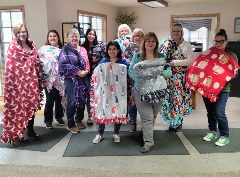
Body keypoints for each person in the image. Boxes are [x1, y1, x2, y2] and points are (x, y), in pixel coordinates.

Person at [186, 29, 239, 146]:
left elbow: (234, 73)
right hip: (207, 88)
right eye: (216, 41)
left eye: (221, 41)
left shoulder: (231, 56)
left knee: (219, 112)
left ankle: (225, 135)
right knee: (210, 112)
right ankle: (213, 131)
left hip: (223, 90)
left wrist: (230, 74)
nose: (218, 44)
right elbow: (201, 66)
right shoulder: (209, 53)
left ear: (226, 41)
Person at [1, 23, 44, 145]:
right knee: (19, 108)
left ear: (27, 32)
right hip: (18, 85)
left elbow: (36, 59)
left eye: (23, 31)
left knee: (31, 106)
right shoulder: (13, 47)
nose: (21, 34)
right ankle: (17, 135)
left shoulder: (31, 44)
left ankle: (30, 130)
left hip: (32, 82)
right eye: (19, 32)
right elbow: (13, 67)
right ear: (15, 34)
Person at [129, 32, 172, 153]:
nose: (150, 43)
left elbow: (168, 73)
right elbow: (131, 72)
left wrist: (158, 72)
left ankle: (147, 132)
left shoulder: (161, 56)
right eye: (148, 41)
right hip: (141, 90)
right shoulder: (137, 56)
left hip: (158, 91)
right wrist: (147, 75)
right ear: (144, 43)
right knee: (146, 116)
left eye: (153, 41)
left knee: (153, 114)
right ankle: (148, 142)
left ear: (156, 43)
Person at [91, 41, 129, 144]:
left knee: (118, 109)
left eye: (114, 49)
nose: (112, 51)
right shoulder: (103, 61)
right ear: (107, 50)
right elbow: (97, 74)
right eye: (110, 49)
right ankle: (100, 133)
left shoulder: (123, 62)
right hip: (105, 91)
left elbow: (127, 76)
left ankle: (116, 133)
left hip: (119, 91)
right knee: (103, 109)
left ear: (118, 50)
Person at [159, 23, 194, 132]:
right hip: (167, 77)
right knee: (169, 99)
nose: (175, 33)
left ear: (181, 33)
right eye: (174, 31)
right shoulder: (166, 43)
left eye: (178, 31)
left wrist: (175, 63)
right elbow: (159, 56)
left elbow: (190, 60)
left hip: (179, 78)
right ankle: (170, 122)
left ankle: (178, 122)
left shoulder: (186, 45)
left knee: (178, 99)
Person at [59, 28, 90, 133]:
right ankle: (71, 124)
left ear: (79, 37)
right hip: (71, 79)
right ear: (68, 38)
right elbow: (63, 64)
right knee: (71, 101)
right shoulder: (65, 49)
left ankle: (79, 119)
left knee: (82, 99)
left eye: (76, 36)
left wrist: (86, 71)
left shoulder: (83, 50)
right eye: (72, 36)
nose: (74, 38)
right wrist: (76, 71)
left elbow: (87, 62)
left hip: (83, 78)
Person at [38, 30, 65, 129]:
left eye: (54, 36)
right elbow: (38, 61)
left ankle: (59, 117)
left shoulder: (63, 50)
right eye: (50, 36)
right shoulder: (43, 49)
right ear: (48, 38)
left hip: (60, 79)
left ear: (58, 38)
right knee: (50, 99)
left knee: (59, 99)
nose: (52, 38)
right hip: (48, 79)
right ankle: (48, 120)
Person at [81, 28, 106, 125]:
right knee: (88, 95)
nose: (91, 36)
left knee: (98, 95)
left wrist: (98, 59)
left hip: (98, 74)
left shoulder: (99, 47)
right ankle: (90, 116)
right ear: (86, 35)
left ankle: (99, 114)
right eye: (89, 34)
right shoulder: (82, 47)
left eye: (93, 34)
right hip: (86, 75)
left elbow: (105, 59)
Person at [124, 28, 144, 133]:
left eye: (140, 35)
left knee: (143, 102)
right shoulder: (129, 47)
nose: (138, 37)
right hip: (131, 78)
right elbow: (126, 60)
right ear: (133, 37)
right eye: (136, 35)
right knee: (132, 101)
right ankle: (132, 122)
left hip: (144, 80)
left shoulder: (146, 47)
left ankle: (145, 123)